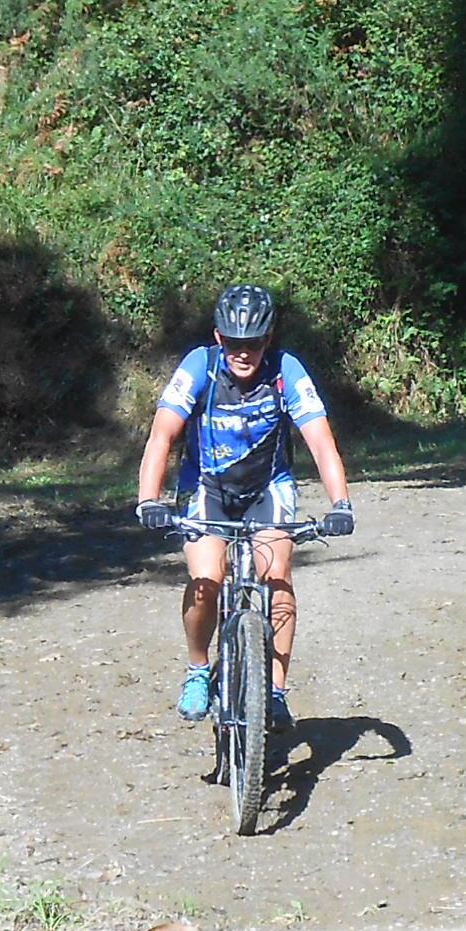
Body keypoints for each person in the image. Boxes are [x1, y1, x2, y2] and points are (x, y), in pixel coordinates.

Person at [135, 284, 354, 735]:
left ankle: (275, 691)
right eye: (234, 342)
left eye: (253, 343)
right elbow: (162, 436)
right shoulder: (199, 366)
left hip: (267, 487)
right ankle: (199, 669)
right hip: (207, 486)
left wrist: (341, 504)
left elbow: (320, 441)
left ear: (268, 339)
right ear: (219, 338)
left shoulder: (286, 370)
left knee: (277, 576)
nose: (243, 352)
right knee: (206, 580)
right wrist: (148, 499)